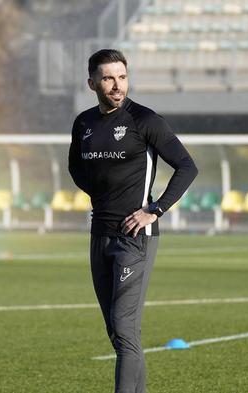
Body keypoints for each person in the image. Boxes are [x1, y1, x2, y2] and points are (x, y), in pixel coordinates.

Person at [68, 49, 198, 393]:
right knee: (117, 332)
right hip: (100, 234)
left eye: (122, 77)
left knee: (125, 329)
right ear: (92, 83)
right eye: (108, 78)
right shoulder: (83, 123)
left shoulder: (145, 120)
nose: (116, 85)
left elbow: (187, 167)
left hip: (135, 237)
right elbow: (76, 169)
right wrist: (100, 196)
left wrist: (153, 210)